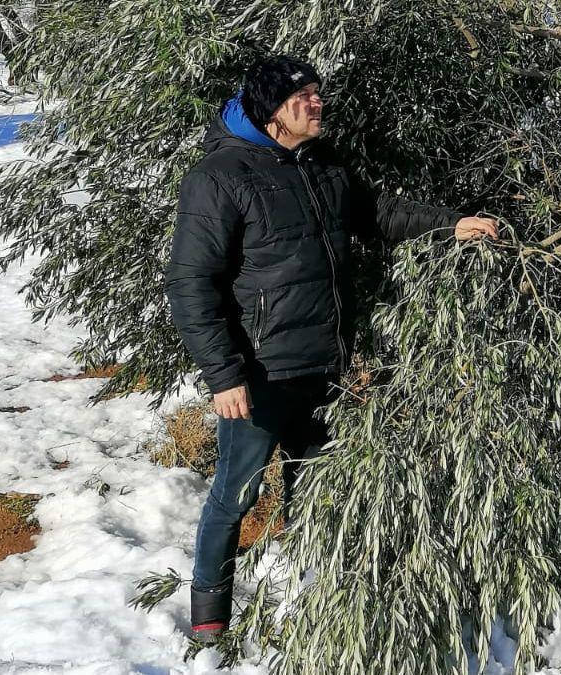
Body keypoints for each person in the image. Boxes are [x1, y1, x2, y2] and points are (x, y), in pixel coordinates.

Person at [164, 55, 498, 644]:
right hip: (260, 373)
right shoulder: (219, 176)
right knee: (235, 494)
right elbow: (192, 284)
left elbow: (377, 213)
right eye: (304, 97)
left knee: (314, 485)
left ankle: (307, 595)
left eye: (318, 93)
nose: (317, 103)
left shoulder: (320, 166)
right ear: (272, 112)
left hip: (325, 362)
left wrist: (452, 224)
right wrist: (223, 374)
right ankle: (209, 620)